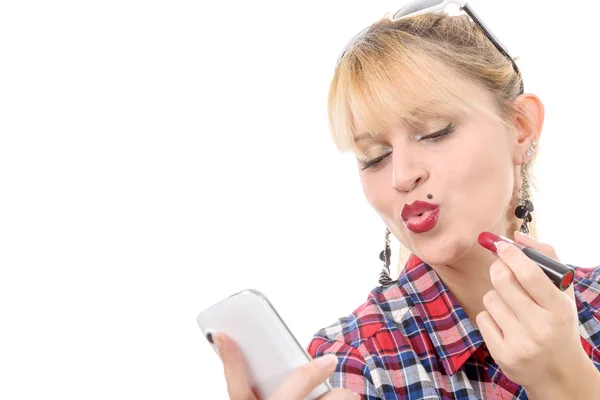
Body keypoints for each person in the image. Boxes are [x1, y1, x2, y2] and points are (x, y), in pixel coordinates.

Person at [213, 1, 600, 398]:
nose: (402, 175)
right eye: (374, 157)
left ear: (520, 128)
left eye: (435, 132)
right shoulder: (353, 365)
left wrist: (567, 375)